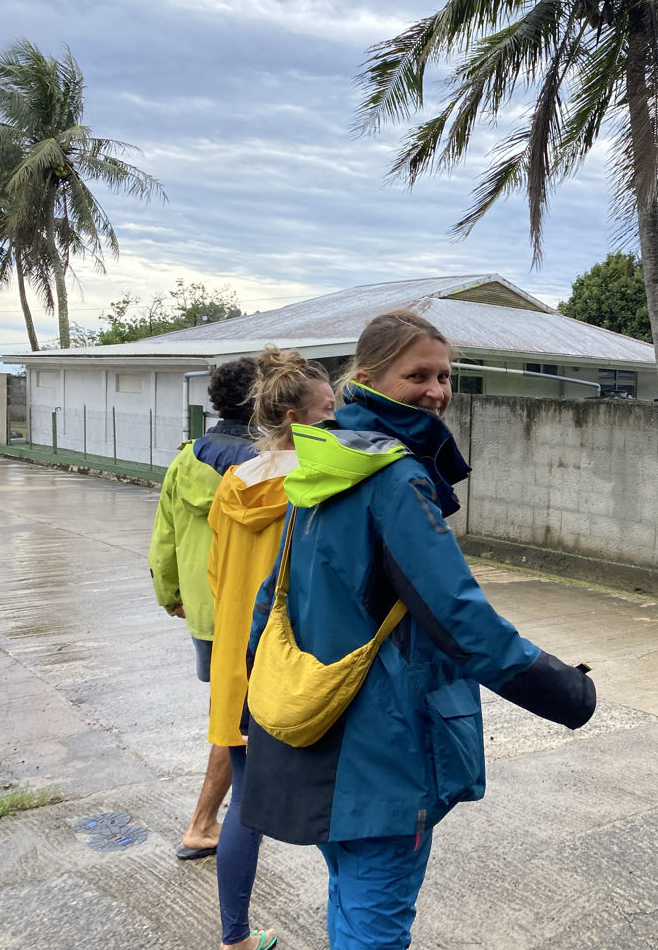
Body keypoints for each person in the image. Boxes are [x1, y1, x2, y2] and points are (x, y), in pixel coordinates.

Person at [241, 310, 596, 950]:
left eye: (445, 376)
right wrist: (566, 691)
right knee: (375, 921)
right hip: (381, 748)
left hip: (316, 728)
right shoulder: (395, 475)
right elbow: (459, 616)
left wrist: (259, 696)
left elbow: (272, 602)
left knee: (351, 894)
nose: (436, 391)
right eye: (418, 376)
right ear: (367, 377)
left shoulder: (326, 461)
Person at [207, 348, 335, 950]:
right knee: (339, 798)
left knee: (244, 805)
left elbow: (216, 577)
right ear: (294, 416)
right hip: (296, 666)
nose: (337, 419)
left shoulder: (233, 483)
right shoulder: (320, 484)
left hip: (237, 663)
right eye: (328, 409)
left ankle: (234, 936)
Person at [149, 358, 259, 860]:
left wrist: (172, 594)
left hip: (203, 611)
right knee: (237, 721)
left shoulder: (185, 460)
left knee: (231, 713)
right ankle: (203, 824)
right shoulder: (267, 466)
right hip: (250, 611)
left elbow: (164, 536)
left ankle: (219, 819)